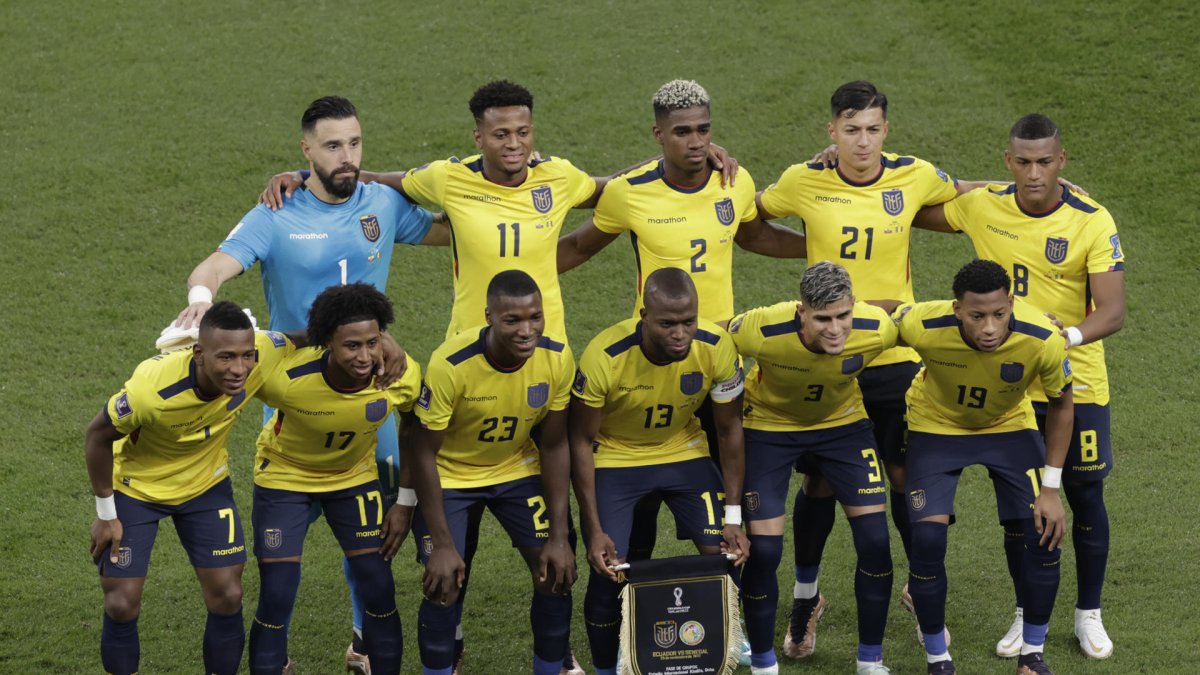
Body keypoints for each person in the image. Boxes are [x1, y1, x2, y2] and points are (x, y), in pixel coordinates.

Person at [176, 95, 443, 673]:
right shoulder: (277, 213)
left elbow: (456, 227)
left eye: (354, 143)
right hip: (296, 397)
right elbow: (215, 265)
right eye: (331, 146)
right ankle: (277, 657)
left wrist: (509, 188)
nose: (346, 156)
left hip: (370, 396)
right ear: (305, 151)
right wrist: (202, 303)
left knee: (379, 541)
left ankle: (363, 642)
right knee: (280, 567)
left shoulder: (383, 203)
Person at [753, 81, 969, 650]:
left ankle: (921, 590)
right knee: (821, 479)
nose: (863, 141)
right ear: (832, 132)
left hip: (893, 354)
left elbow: (967, 196)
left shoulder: (915, 175)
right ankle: (806, 599)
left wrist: (1023, 185)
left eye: (873, 129)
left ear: (886, 129)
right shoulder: (805, 179)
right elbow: (751, 218)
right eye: (851, 130)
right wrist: (804, 249)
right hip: (830, 354)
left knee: (903, 475)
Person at [915, 113, 1125, 660]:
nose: (1035, 174)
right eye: (1024, 163)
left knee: (1084, 493)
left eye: (1045, 162)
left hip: (1076, 377)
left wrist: (1067, 334)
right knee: (1024, 506)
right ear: (1008, 163)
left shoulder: (1092, 219)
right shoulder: (984, 205)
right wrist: (836, 167)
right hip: (1009, 385)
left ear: (1062, 161)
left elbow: (1114, 310)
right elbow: (904, 205)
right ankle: (1026, 613)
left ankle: (1088, 614)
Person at [85, 302, 296, 675]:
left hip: (206, 486)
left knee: (228, 595)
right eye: (226, 357)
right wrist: (106, 515)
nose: (239, 369)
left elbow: (315, 336)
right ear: (199, 353)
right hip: (138, 489)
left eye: (247, 356)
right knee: (121, 602)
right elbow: (97, 437)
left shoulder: (263, 352)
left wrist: (383, 341)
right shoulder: (152, 390)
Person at [895, 259, 1073, 675]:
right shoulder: (923, 323)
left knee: (1044, 534)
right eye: (977, 316)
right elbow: (880, 314)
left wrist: (1050, 489)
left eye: (999, 314)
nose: (990, 327)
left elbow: (1063, 405)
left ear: (1011, 303)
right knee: (926, 540)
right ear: (957, 309)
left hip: (1008, 426)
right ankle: (938, 660)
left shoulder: (1043, 338)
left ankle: (1033, 656)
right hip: (936, 428)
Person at [569, 268, 749, 675]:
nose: (680, 334)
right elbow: (580, 441)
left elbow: (730, 429)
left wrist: (734, 517)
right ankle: (607, 665)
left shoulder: (717, 347)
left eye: (688, 322)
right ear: (644, 314)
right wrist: (594, 528)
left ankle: (721, 641)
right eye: (667, 324)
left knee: (728, 553)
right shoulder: (604, 356)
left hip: (682, 451)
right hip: (617, 457)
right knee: (609, 568)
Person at [729, 261, 898, 675]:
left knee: (876, 541)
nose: (836, 329)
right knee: (765, 551)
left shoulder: (877, 328)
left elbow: (917, 316)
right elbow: (712, 333)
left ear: (854, 306)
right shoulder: (761, 329)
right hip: (769, 426)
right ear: (801, 311)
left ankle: (870, 661)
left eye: (843, 316)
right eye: (822, 318)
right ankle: (765, 665)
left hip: (842, 426)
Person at [408, 270, 577, 675]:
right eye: (513, 320)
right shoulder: (450, 364)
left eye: (535, 317)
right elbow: (423, 453)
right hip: (450, 474)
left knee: (556, 575)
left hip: (514, 468)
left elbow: (554, 444)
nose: (527, 330)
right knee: (444, 584)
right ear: (489, 316)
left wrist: (559, 535)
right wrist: (444, 545)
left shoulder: (556, 357)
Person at [247, 283, 420, 675]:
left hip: (351, 478)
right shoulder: (285, 377)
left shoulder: (397, 375)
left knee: (378, 584)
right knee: (277, 589)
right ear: (326, 343)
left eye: (373, 342)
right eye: (351, 346)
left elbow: (414, 426)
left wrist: (406, 501)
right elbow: (239, 353)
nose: (364, 356)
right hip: (286, 478)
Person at [558, 79, 807, 324]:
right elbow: (579, 247)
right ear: (659, 134)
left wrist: (823, 244)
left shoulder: (735, 181)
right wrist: (525, 265)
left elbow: (755, 237)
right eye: (682, 132)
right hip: (656, 337)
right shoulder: (629, 193)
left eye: (703, 130)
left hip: (720, 337)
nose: (696, 142)